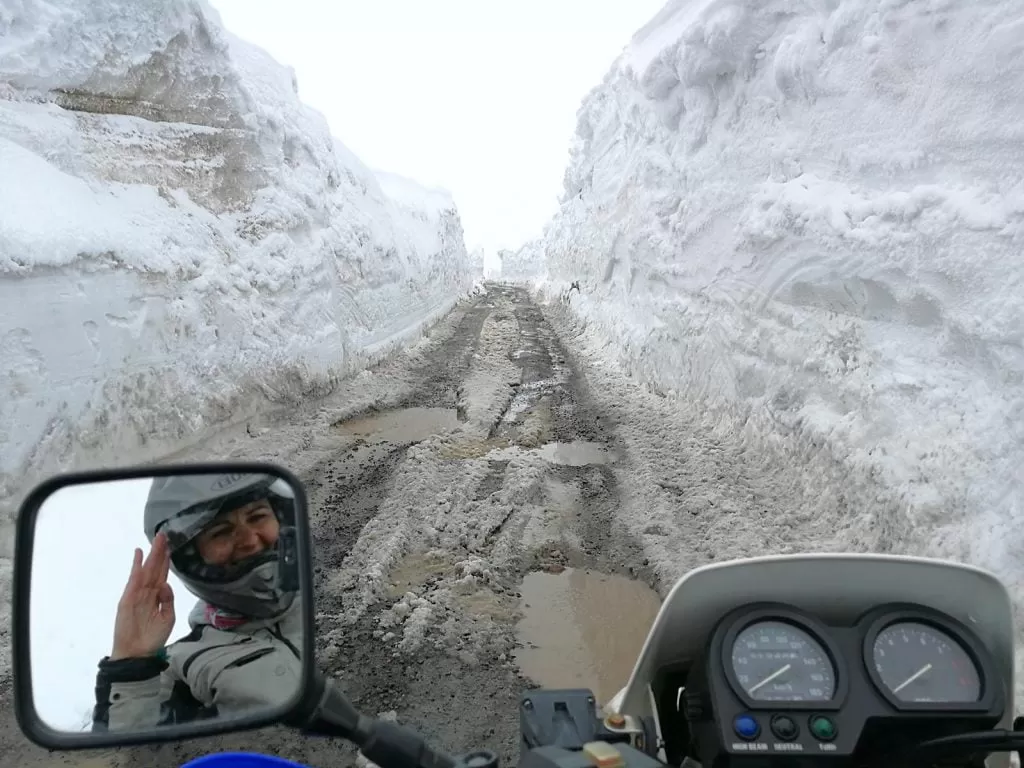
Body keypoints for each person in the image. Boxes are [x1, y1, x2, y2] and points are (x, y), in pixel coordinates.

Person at [92, 473, 303, 731]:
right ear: (192, 559)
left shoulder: (329, 578)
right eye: (222, 533)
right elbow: (128, 747)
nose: (250, 540)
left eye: (258, 516)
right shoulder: (185, 662)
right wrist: (130, 663)